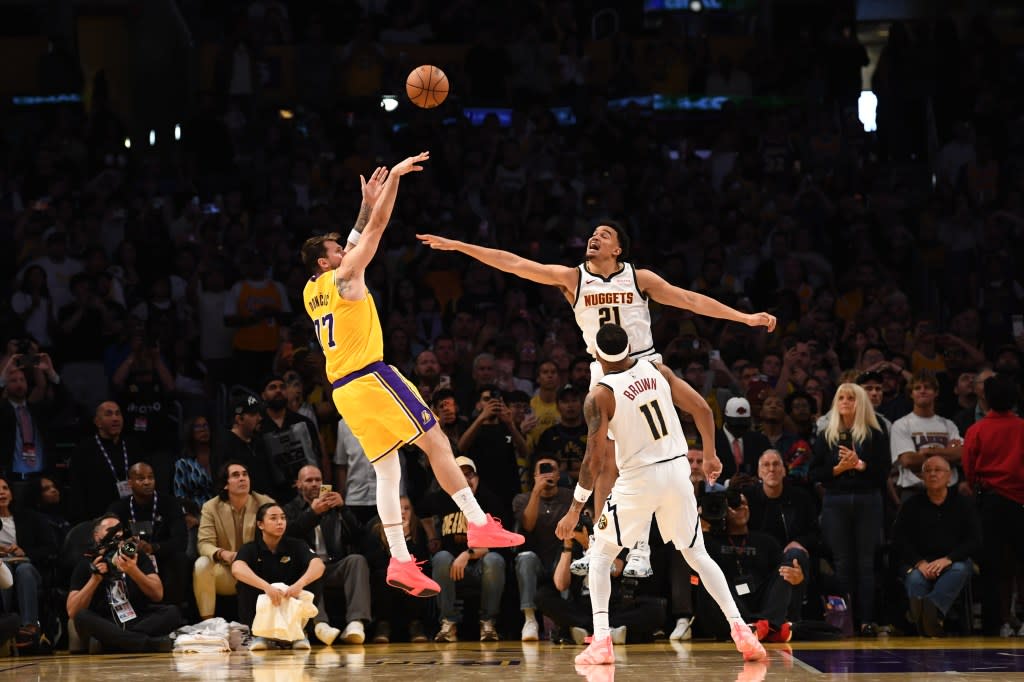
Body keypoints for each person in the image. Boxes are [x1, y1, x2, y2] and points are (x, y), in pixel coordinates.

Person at [418, 222, 775, 577]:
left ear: (618, 249)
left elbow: (690, 299)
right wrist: (460, 245)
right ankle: (603, 547)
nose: (595, 237)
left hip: (645, 365)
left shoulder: (640, 278)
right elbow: (514, 263)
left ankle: (640, 549)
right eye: (593, 234)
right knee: (604, 462)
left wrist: (743, 318)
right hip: (604, 372)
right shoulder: (573, 278)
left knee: (647, 458)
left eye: (605, 235)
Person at [299, 152, 523, 599]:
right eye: (337, 251)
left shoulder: (314, 290)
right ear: (327, 262)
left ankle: (400, 560)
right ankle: (478, 524)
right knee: (436, 440)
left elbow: (360, 230)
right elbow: (375, 232)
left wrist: (365, 202)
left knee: (387, 470)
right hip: (371, 375)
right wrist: (396, 180)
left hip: (344, 391)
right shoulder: (345, 276)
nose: (345, 251)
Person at [555, 323, 765, 665]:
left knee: (602, 555)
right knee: (697, 554)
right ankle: (741, 630)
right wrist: (711, 454)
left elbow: (594, 461)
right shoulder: (657, 368)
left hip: (639, 477)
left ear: (595, 354)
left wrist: (574, 509)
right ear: (628, 348)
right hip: (677, 472)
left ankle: (602, 640)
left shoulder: (600, 395)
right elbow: (702, 409)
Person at [808, 383, 890, 637]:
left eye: (851, 398)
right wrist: (839, 469)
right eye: (841, 397)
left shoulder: (876, 433)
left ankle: (866, 621)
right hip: (836, 500)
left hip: (868, 499)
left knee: (865, 563)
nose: (845, 401)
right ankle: (843, 621)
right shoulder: (826, 434)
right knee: (842, 563)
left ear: (861, 402)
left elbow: (883, 473)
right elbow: (814, 473)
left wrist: (860, 464)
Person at [419, 457, 508, 642]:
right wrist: (432, 536)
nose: (466, 479)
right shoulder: (442, 499)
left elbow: (497, 543)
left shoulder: (489, 501)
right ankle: (448, 622)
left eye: (470, 475)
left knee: (495, 560)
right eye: (460, 475)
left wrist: (467, 555)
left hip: (482, 566)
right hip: (452, 569)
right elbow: (420, 512)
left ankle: (488, 622)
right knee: (441, 557)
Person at [891, 455, 981, 636]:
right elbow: (899, 539)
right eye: (928, 471)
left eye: (938, 470)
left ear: (950, 477)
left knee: (959, 570)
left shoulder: (963, 504)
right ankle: (931, 622)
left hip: (952, 561)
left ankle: (927, 617)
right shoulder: (911, 505)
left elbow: (975, 540)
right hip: (919, 563)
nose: (932, 474)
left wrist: (949, 559)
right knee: (916, 579)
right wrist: (919, 562)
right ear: (922, 477)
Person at [962, 374, 1024, 636]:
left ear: (986, 398)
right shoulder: (1022, 427)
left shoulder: (977, 430)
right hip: (1021, 502)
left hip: (991, 503)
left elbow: (969, 470)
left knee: (992, 566)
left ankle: (994, 623)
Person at [67, 514, 182, 653]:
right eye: (111, 530)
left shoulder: (137, 557)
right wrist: (95, 579)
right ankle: (147, 644)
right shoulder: (86, 563)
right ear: (96, 535)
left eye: (120, 530)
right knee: (81, 616)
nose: (118, 534)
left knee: (172, 612)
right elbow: (72, 611)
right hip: (106, 622)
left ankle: (113, 643)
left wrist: (133, 571)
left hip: (137, 618)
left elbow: (158, 594)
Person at [283, 465, 370, 646]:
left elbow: (360, 536)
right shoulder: (289, 509)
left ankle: (356, 624)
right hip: (307, 570)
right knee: (312, 565)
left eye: (318, 480)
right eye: (309, 480)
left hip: (334, 565)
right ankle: (320, 624)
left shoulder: (334, 507)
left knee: (357, 560)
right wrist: (312, 514)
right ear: (298, 484)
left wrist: (343, 509)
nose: (315, 484)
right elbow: (288, 535)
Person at [231, 503, 324, 650]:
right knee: (244, 583)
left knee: (313, 577)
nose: (280, 522)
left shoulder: (297, 545)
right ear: (260, 524)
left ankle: (299, 633)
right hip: (265, 598)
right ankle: (259, 634)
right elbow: (237, 569)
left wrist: (299, 584)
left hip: (290, 596)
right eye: (273, 518)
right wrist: (266, 587)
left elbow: (319, 565)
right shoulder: (250, 548)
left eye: (283, 518)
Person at [193, 461, 275, 621]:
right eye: (236, 475)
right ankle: (209, 624)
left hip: (257, 570)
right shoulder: (211, 507)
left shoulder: (265, 503)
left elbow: (276, 539)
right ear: (225, 484)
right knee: (201, 564)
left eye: (245, 474)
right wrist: (224, 554)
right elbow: (204, 543)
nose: (242, 478)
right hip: (227, 570)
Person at [106, 462, 189, 606]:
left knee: (180, 558)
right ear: (130, 483)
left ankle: (174, 608)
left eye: (150, 477)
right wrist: (127, 545)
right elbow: (108, 540)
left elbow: (181, 541)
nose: (147, 482)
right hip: (132, 559)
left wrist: (153, 547)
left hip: (162, 556)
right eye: (141, 478)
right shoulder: (118, 508)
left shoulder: (170, 504)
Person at [512, 455, 573, 641]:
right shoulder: (522, 499)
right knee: (525, 558)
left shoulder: (570, 496)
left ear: (558, 473)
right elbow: (528, 525)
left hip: (560, 557)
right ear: (534, 476)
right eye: (543, 470)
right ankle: (530, 620)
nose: (548, 474)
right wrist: (536, 493)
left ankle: (566, 622)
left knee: (569, 557)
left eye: (552, 469)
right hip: (536, 561)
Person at [890, 371, 963, 502]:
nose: (922, 391)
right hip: (915, 492)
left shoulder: (948, 425)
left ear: (936, 393)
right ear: (911, 394)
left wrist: (929, 451)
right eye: (917, 388)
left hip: (948, 492)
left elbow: (960, 454)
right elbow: (908, 460)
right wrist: (946, 454)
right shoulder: (901, 425)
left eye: (927, 387)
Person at [0, 477, 55, 649]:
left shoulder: (30, 517)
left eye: (5, 488)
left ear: (11, 492)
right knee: (5, 568)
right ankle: (5, 626)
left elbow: (51, 548)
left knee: (24, 569)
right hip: (2, 567)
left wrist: (26, 552)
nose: (2, 492)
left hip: (29, 568)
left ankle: (28, 628)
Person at [68, 401, 144, 523]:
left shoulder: (133, 446)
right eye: (109, 414)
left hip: (132, 514)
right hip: (98, 516)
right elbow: (77, 489)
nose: (115, 418)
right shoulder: (84, 450)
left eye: (118, 414)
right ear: (97, 422)